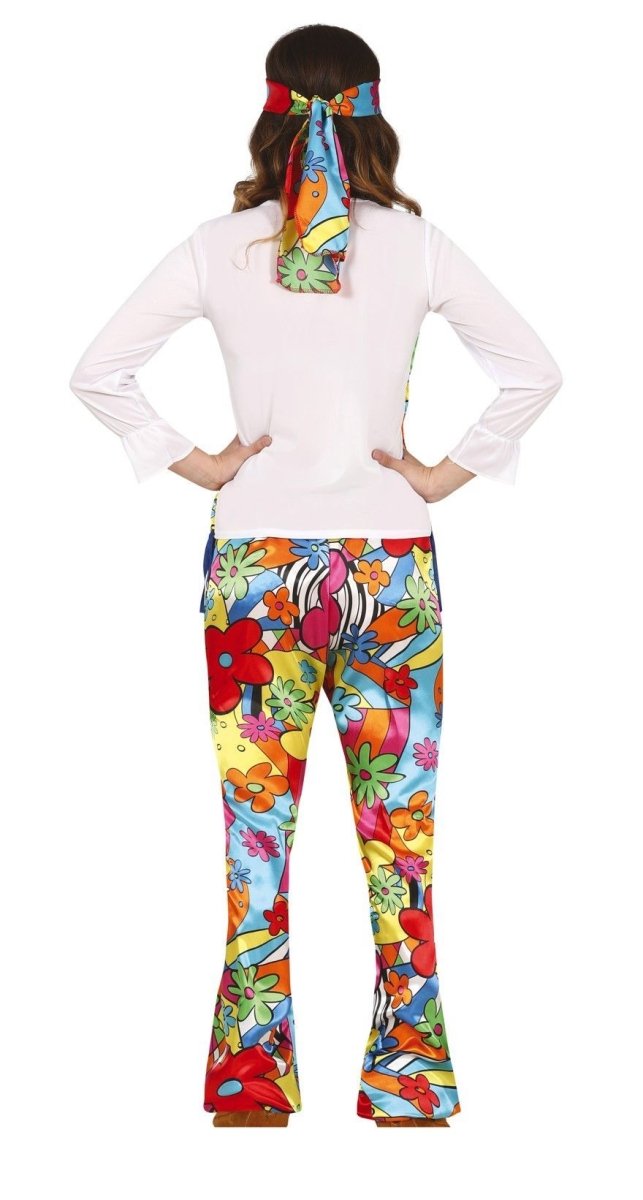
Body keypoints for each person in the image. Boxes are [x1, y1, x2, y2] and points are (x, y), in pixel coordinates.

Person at [68, 23, 563, 1129]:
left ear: (268, 113)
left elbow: (98, 371)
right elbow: (534, 371)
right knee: (401, 837)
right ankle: (410, 1082)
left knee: (255, 833)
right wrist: (438, 476)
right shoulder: (418, 247)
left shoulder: (218, 246)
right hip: (390, 570)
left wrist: (200, 463)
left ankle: (250, 1084)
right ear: (376, 114)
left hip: (254, 569)